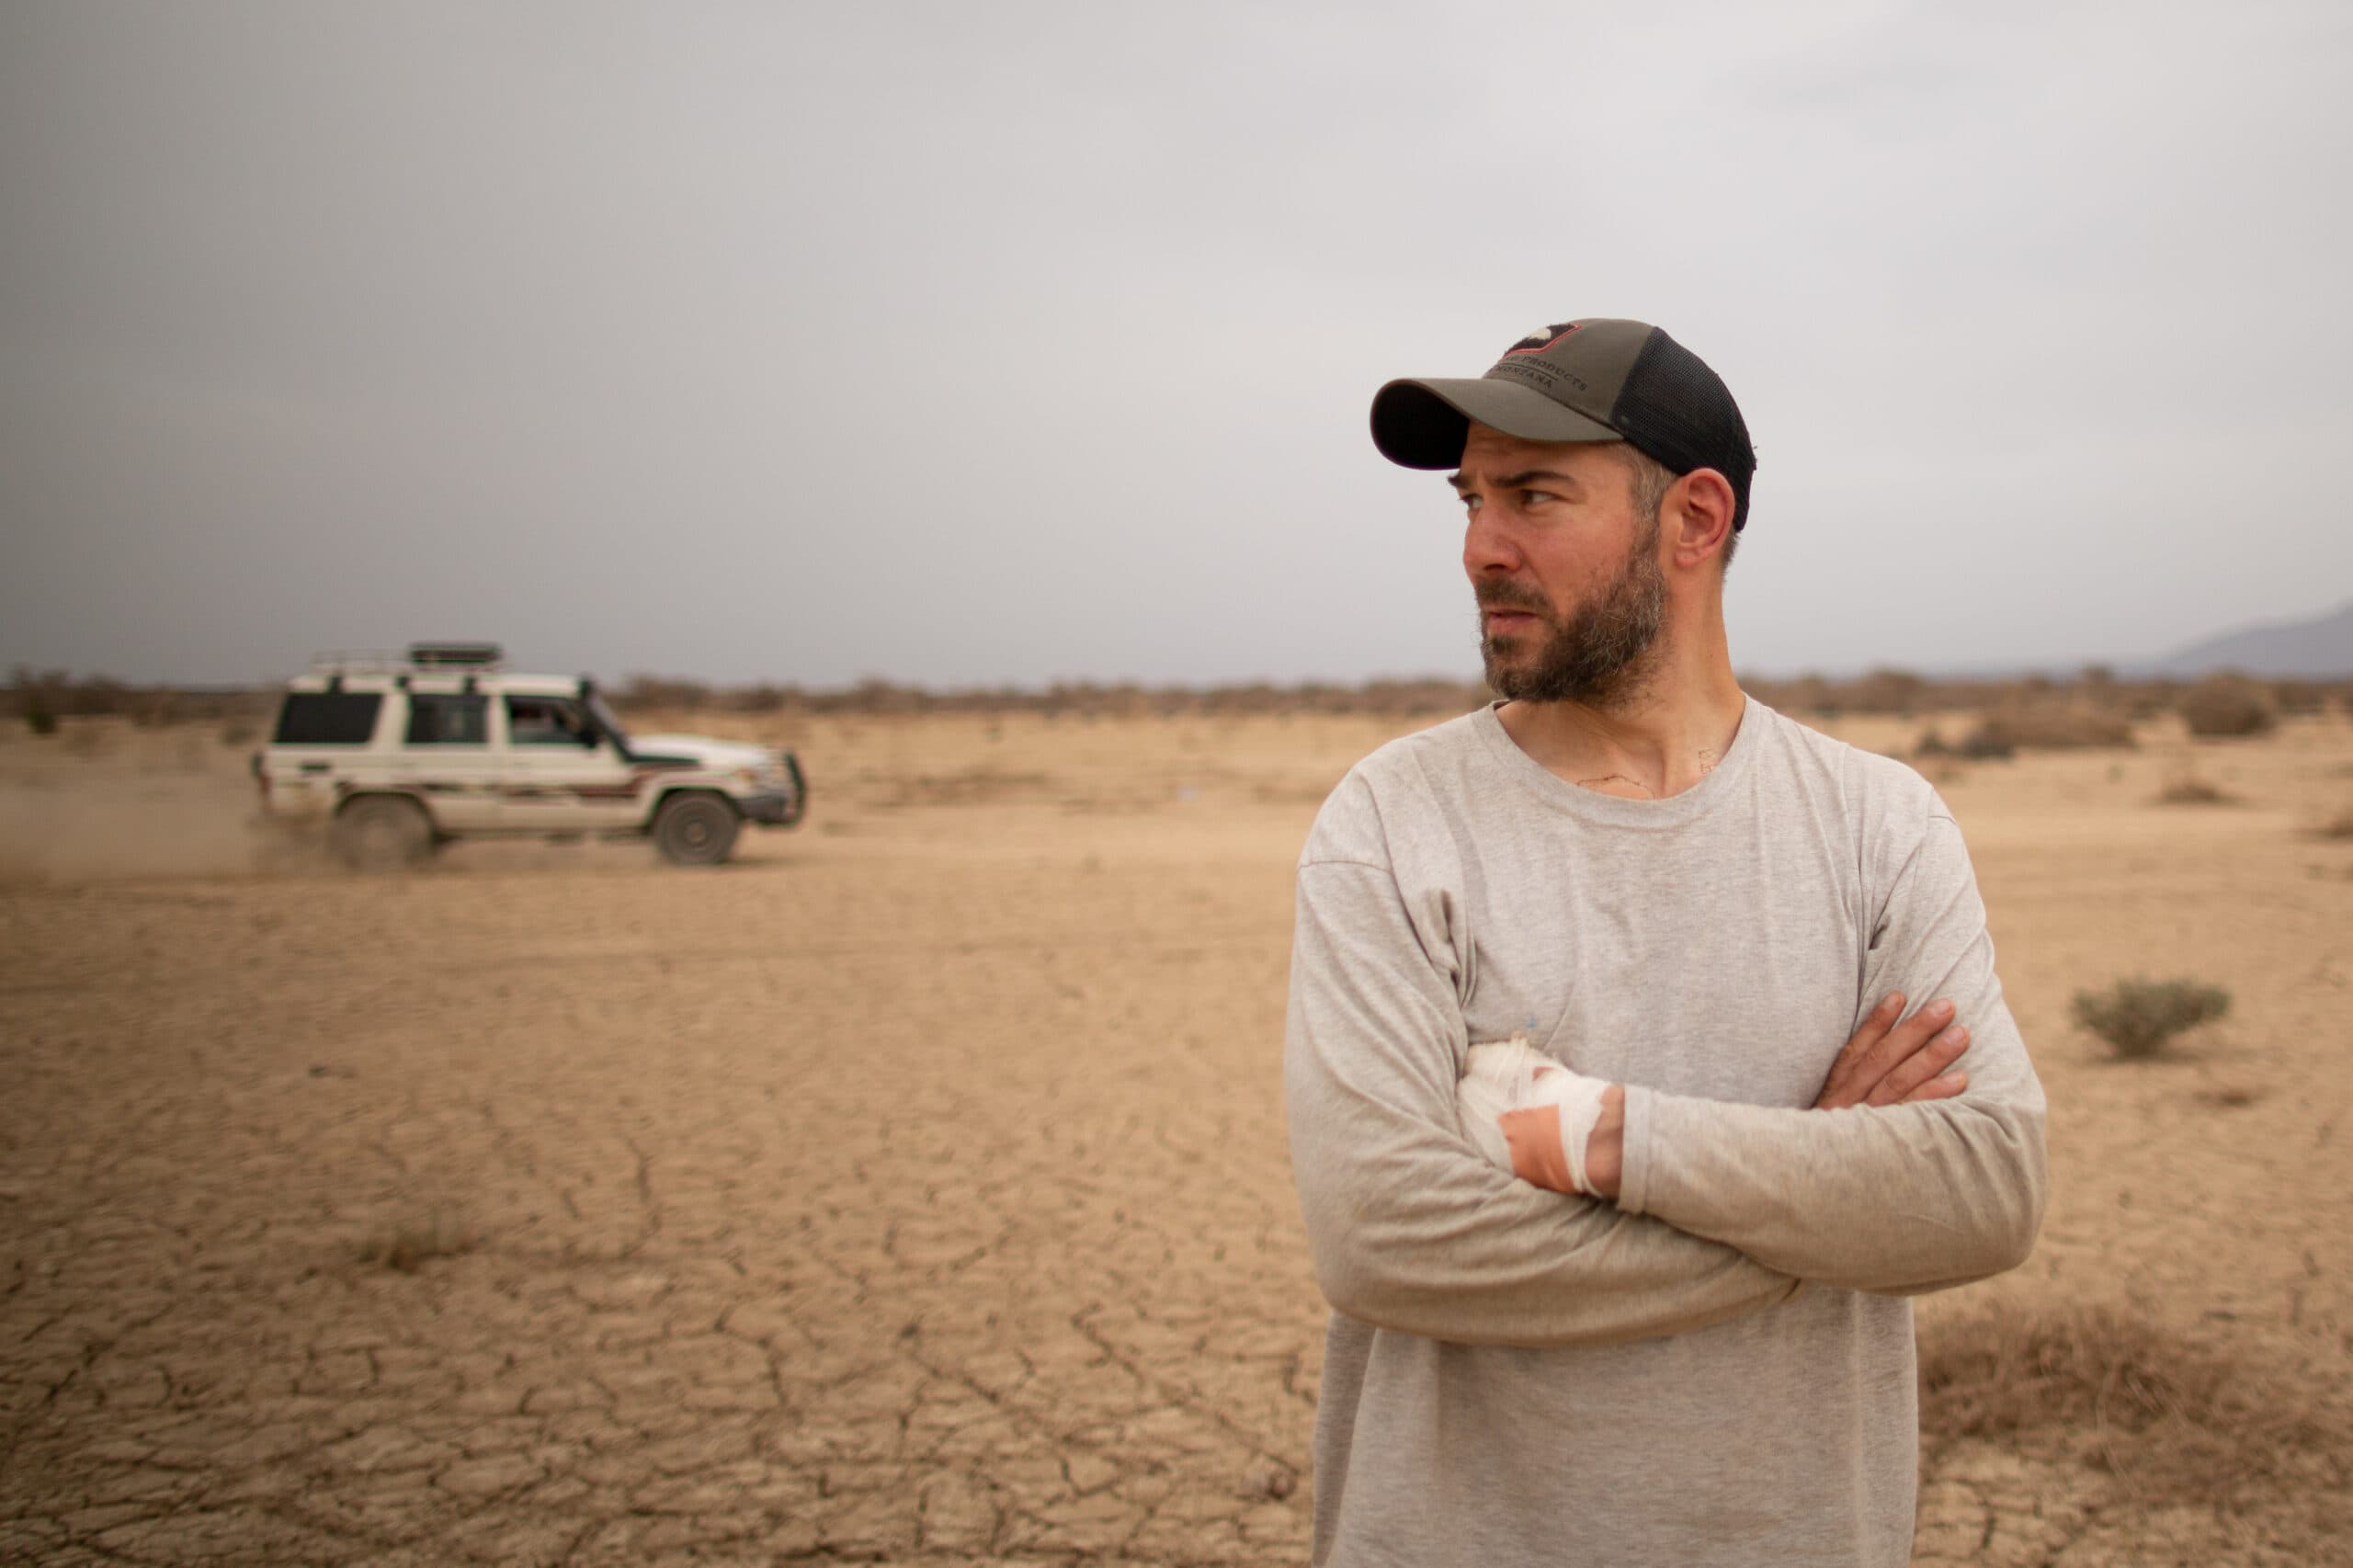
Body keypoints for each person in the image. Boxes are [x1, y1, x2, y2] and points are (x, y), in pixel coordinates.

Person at [1282, 317, 2048, 1566]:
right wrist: (1819, 1198)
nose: (1481, 547)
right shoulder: (1394, 820)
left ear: (1694, 519)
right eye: (1471, 499)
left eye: (1534, 495)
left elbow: (1984, 1193)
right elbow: (1384, 1237)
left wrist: (1594, 1133)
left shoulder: (1879, 824)